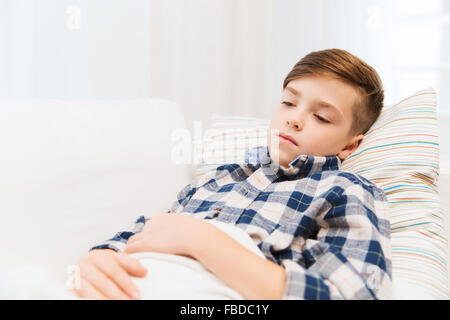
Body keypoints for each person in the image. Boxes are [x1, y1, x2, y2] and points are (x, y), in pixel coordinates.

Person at [71, 48, 393, 300]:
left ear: (350, 146)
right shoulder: (219, 179)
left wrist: (203, 240)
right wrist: (99, 258)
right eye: (288, 103)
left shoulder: (347, 190)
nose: (294, 119)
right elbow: (152, 229)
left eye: (321, 117)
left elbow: (353, 293)